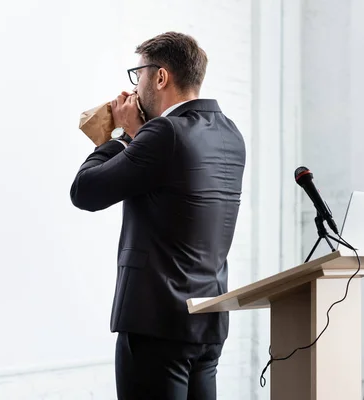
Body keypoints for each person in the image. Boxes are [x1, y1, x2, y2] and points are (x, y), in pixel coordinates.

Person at [69, 32, 246, 399]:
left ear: (161, 76)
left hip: (156, 322)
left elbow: (84, 191)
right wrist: (139, 135)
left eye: (140, 74)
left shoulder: (164, 132)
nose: (136, 85)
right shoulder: (230, 133)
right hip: (208, 321)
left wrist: (117, 134)